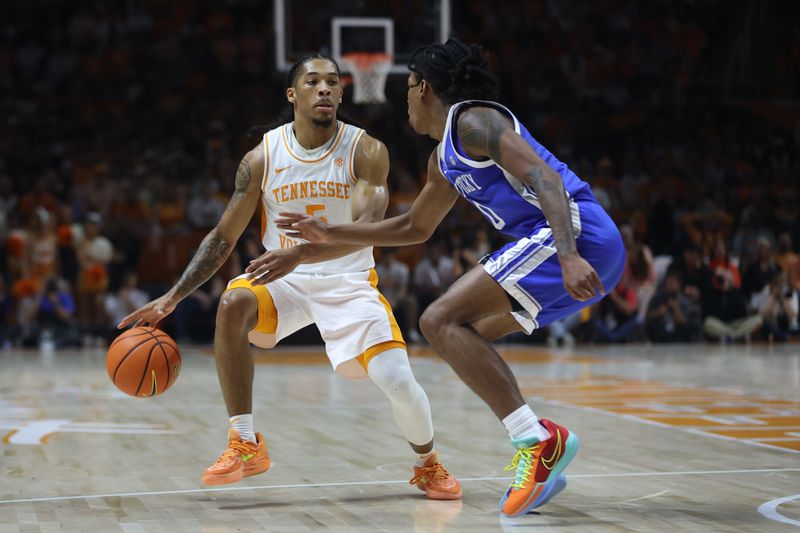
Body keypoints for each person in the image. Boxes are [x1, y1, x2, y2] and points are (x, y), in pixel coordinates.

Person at [276, 38, 625, 516]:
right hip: (573, 248)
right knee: (464, 337)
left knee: (439, 320)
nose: (404, 102)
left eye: (406, 90)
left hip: (575, 234)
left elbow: (546, 179)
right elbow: (413, 227)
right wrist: (327, 233)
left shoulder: (474, 121)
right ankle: (543, 438)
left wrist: (567, 254)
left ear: (422, 88)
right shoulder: (443, 157)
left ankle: (534, 440)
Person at [119, 54, 461, 500]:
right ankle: (244, 441)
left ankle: (427, 463)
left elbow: (364, 234)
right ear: (292, 94)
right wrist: (173, 297)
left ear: (341, 94)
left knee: (398, 381)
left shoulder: (366, 150)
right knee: (233, 303)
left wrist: (299, 254)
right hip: (284, 280)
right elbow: (223, 237)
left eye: (333, 82)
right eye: (313, 81)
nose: (324, 89)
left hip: (348, 281)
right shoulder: (262, 158)